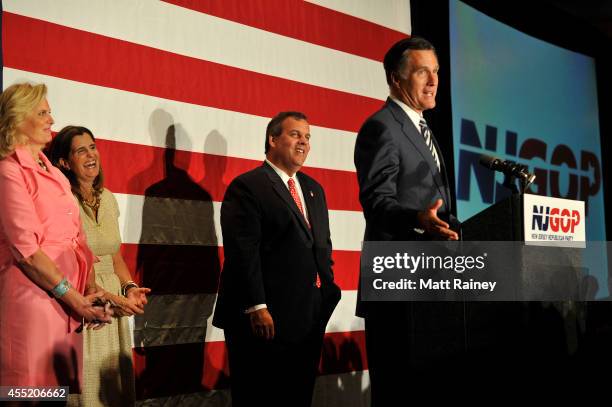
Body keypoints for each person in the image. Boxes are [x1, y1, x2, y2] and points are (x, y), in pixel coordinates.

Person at [354, 37, 461, 404]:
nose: (433, 81)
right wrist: (419, 220)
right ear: (396, 79)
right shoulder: (382, 127)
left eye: (436, 72)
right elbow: (376, 202)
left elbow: (438, 207)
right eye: (421, 72)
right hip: (399, 282)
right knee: (400, 389)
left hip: (433, 281)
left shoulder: (423, 129)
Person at [213, 111, 341, 407]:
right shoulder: (248, 186)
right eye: (295, 134)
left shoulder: (314, 189)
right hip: (265, 320)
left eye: (308, 137)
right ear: (272, 139)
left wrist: (326, 294)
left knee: (298, 397)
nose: (304, 142)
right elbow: (243, 252)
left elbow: (322, 246)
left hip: (307, 317)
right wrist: (257, 306)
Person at [0, 83, 111, 392]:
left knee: (54, 396)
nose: (51, 119)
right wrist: (76, 300)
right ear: (18, 119)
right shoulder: (9, 171)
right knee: (28, 395)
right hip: (33, 304)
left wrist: (93, 294)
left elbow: (78, 240)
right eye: (43, 113)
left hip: (64, 307)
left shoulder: (53, 172)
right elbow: (28, 252)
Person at [48, 125, 151, 406]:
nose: (91, 154)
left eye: (92, 147)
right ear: (64, 162)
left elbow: (114, 255)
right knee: (87, 393)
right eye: (81, 150)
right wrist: (113, 300)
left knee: (115, 393)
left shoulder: (108, 199)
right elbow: (72, 263)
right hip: (84, 302)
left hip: (113, 304)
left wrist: (129, 289)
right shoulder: (62, 200)